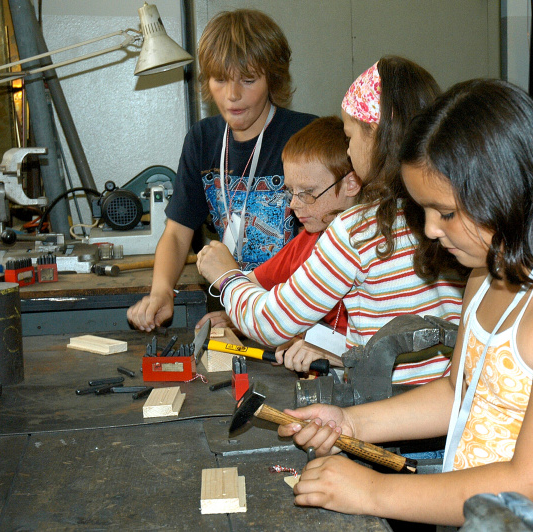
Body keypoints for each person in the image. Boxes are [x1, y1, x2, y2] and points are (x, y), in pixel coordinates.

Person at [277, 79, 533, 532]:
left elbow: (531, 488)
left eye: (445, 212)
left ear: (507, 190)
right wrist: (350, 423)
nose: (430, 229)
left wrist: (372, 492)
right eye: (423, 211)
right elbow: (461, 393)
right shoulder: (487, 274)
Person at [196, 56, 466, 382]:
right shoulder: (453, 217)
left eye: (350, 138)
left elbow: (269, 323)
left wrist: (226, 278)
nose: (349, 153)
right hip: (445, 409)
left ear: (377, 136)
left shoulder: (358, 230)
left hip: (384, 412)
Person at [127, 9, 316, 332]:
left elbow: (322, 252)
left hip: (297, 311)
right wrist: (161, 292)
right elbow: (176, 233)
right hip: (236, 303)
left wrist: (247, 316)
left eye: (248, 80)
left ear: (273, 77)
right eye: (220, 79)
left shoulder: (306, 138)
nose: (232, 95)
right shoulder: (203, 140)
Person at [198, 116, 361, 371]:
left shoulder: (361, 242)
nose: (293, 204)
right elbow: (256, 284)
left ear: (351, 183)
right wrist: (237, 316)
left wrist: (227, 276)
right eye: (290, 191)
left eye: (307, 192)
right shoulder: (308, 240)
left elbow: (380, 346)